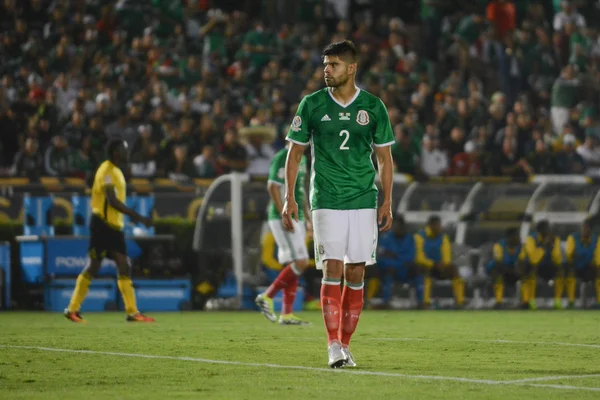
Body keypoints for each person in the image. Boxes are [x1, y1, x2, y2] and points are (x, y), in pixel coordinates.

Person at [282, 40, 394, 368]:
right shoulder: (312, 104)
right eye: (325, 64)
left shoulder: (373, 107)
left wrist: (387, 201)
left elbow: (385, 158)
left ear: (351, 68)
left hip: (363, 197)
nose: (326, 70)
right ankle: (332, 345)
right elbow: (295, 152)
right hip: (326, 197)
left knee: (356, 271)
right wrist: (290, 196)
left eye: (333, 65)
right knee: (332, 266)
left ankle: (345, 345)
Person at [64, 138, 155, 323]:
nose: (126, 152)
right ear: (115, 152)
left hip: (115, 226)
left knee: (124, 264)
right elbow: (112, 201)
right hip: (102, 225)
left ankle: (132, 312)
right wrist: (138, 217)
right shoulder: (106, 171)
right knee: (94, 266)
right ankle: (72, 309)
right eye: (124, 149)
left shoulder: (117, 171)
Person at [255, 142, 312, 325]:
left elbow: (301, 191)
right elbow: (272, 186)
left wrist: (308, 216)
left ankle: (286, 314)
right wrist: (284, 213)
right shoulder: (282, 156)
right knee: (301, 262)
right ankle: (267, 296)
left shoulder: (302, 158)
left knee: (293, 264)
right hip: (284, 215)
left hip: (299, 216)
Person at [368, 216, 424, 308]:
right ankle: (386, 302)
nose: (396, 228)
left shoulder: (410, 239)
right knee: (386, 271)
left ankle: (420, 303)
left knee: (417, 270)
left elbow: (411, 256)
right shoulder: (386, 238)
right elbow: (381, 258)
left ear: (403, 227)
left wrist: (395, 256)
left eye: (398, 226)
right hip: (389, 269)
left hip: (405, 270)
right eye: (394, 226)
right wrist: (397, 259)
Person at [414, 215, 465, 308]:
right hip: (425, 266)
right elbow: (419, 257)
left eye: (439, 225)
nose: (439, 227)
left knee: (454, 269)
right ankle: (425, 302)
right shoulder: (419, 237)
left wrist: (444, 264)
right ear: (430, 225)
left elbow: (446, 256)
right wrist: (433, 264)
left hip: (439, 267)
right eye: (437, 225)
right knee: (425, 271)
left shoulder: (443, 237)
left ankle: (460, 302)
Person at [520, 220, 563, 310]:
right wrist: (543, 246)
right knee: (532, 270)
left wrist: (552, 247)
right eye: (546, 229)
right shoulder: (531, 239)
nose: (549, 231)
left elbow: (558, 260)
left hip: (547, 265)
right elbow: (533, 259)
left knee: (560, 271)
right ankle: (530, 301)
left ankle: (557, 301)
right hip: (531, 266)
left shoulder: (555, 239)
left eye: (549, 229)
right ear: (540, 230)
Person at [565, 219, 600, 308]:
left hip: (589, 266)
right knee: (570, 273)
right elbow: (569, 255)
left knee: (598, 273)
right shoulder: (572, 238)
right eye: (583, 228)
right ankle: (571, 301)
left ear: (590, 230)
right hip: (575, 266)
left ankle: (599, 301)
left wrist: (596, 266)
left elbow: (598, 256)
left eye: (586, 228)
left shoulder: (596, 240)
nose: (584, 230)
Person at [486, 227, 523, 308]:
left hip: (510, 269)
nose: (519, 238)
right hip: (495, 268)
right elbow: (499, 263)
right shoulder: (499, 245)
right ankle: (498, 302)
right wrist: (514, 271)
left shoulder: (520, 247)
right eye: (517, 236)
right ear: (510, 237)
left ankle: (525, 302)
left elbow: (521, 261)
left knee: (525, 273)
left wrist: (519, 271)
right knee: (497, 274)